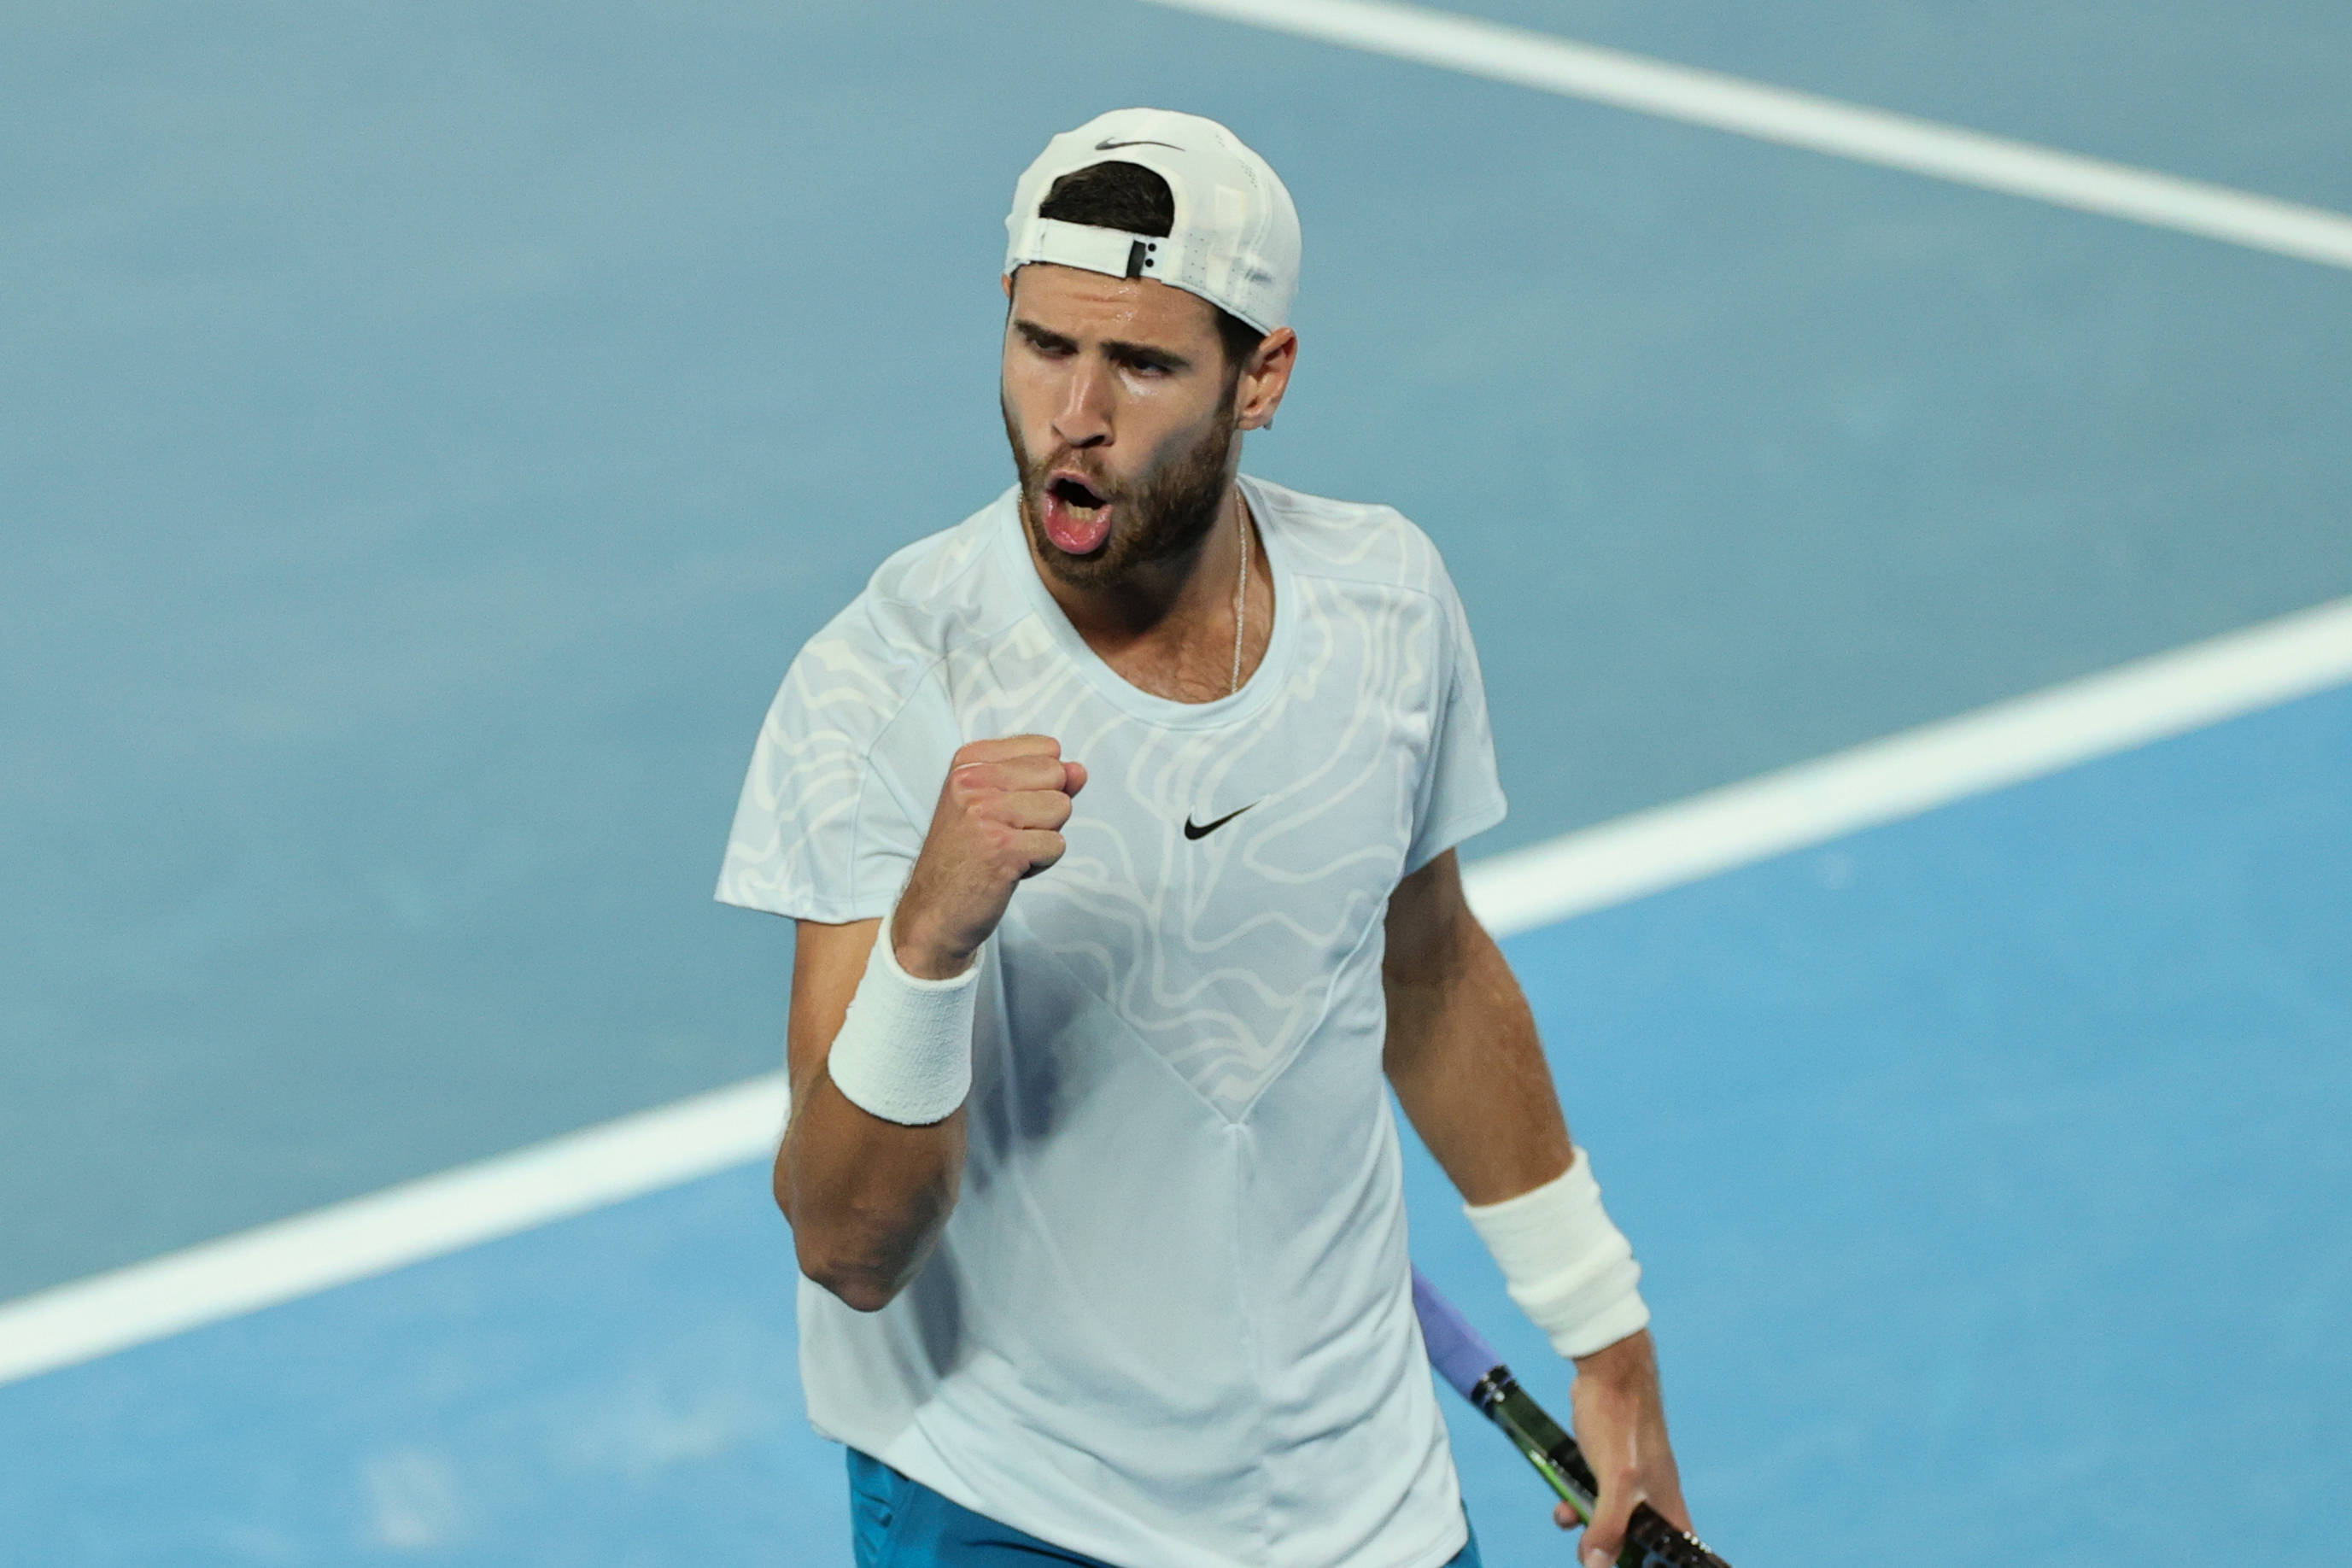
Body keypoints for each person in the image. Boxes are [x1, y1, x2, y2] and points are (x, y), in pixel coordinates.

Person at [717, 107, 1694, 1568]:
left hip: (1366, 1504)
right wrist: (929, 942)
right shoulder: (880, 688)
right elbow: (848, 1249)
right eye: (1042, 344)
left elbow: (1427, 972)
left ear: (1263, 378)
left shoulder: (1384, 603)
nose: (1074, 413)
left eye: (1142, 364)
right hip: (1015, 1506)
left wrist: (1604, 1336)